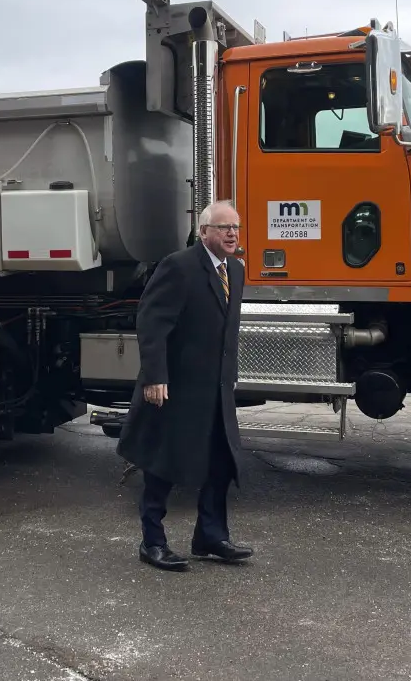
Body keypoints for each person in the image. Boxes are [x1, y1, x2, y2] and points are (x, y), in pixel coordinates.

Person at [116, 199, 252, 571]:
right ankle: (152, 542)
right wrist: (156, 376)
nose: (232, 234)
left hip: (216, 389)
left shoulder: (235, 270)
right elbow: (152, 322)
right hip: (177, 387)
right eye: (224, 227)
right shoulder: (179, 266)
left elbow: (227, 331)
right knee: (165, 462)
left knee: (221, 462)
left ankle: (210, 535)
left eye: (236, 227)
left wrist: (230, 376)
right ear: (204, 231)